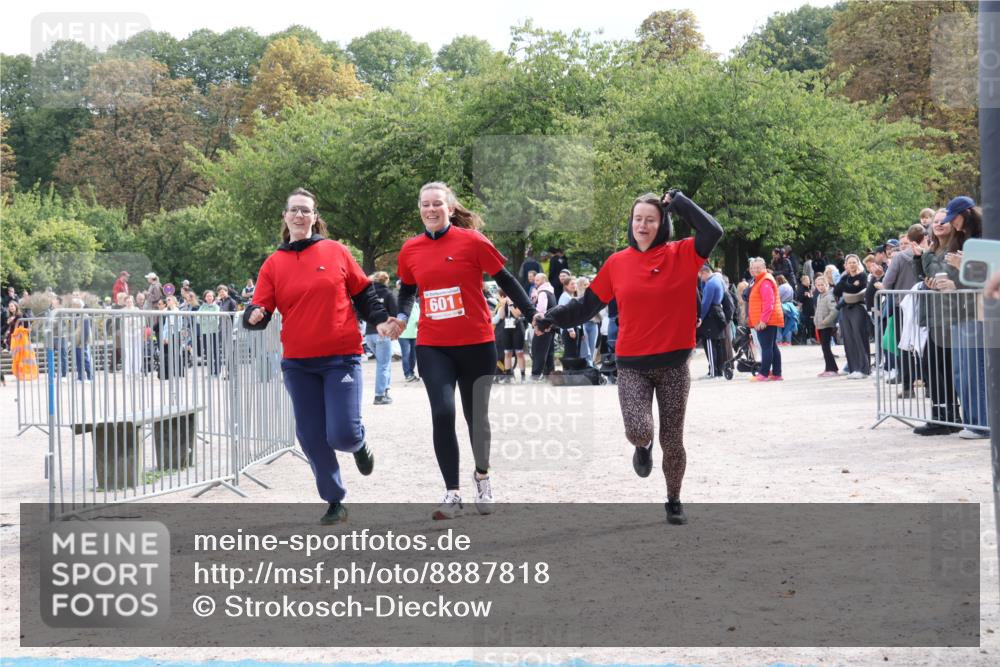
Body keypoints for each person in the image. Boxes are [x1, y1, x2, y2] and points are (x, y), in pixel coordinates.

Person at [535, 190, 722, 525]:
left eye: (650, 219)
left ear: (662, 222)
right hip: (632, 364)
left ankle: (673, 498)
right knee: (638, 429)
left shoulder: (682, 253)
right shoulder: (617, 263)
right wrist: (553, 319)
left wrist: (678, 201)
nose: (643, 225)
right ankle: (642, 446)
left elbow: (713, 231)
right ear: (631, 223)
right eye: (638, 219)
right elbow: (587, 305)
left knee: (673, 440)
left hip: (674, 364)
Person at [243, 187, 396, 524]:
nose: (299, 216)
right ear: (285, 216)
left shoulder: (336, 251)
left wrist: (382, 320)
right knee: (311, 435)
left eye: (306, 211)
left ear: (315, 217)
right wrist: (253, 315)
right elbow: (261, 307)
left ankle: (358, 444)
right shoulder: (273, 263)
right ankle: (334, 500)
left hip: (340, 356)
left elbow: (364, 294)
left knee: (342, 433)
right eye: (294, 210)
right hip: (298, 363)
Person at [394, 181, 536, 520]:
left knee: (477, 418)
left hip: (476, 343)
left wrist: (533, 314)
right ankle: (452, 493)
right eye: (425, 204)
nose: (431, 209)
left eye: (437, 204)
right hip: (433, 345)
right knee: (442, 414)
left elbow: (506, 280)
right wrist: (401, 316)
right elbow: (407, 291)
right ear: (420, 209)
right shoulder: (410, 250)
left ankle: (482, 477)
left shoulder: (472, 241)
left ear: (450, 208)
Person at [939, 197, 989, 439]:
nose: (953, 224)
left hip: (978, 311)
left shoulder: (983, 239)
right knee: (962, 369)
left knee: (974, 367)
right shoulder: (962, 239)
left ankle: (981, 423)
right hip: (961, 309)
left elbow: (988, 277)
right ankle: (972, 420)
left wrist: (963, 266)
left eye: (955, 218)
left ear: (967, 214)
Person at [911, 208, 962, 435]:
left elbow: (943, 273)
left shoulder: (954, 249)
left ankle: (949, 416)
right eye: (936, 222)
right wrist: (918, 258)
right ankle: (942, 415)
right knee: (932, 366)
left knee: (943, 366)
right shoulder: (933, 249)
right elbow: (924, 276)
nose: (939, 224)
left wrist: (927, 256)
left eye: (944, 221)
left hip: (950, 314)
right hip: (934, 314)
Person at [747, 257, 785, 381]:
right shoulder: (759, 280)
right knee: (772, 346)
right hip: (767, 319)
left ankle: (763, 374)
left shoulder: (765, 281)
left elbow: (769, 302)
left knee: (767, 347)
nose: (755, 270)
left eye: (758, 268)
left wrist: (763, 320)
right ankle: (777, 373)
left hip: (766, 320)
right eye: (753, 268)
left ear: (764, 267)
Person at [833, 254, 871, 379]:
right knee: (848, 339)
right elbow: (836, 291)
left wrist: (848, 287)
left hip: (858, 308)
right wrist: (849, 285)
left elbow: (856, 291)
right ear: (846, 265)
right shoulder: (845, 277)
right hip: (845, 309)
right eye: (850, 263)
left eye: (854, 262)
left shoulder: (862, 276)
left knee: (859, 337)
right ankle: (853, 368)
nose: (852, 265)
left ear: (858, 263)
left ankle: (863, 368)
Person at [364, 271, 398, 405]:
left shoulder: (368, 294)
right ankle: (379, 395)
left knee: (384, 362)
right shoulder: (388, 294)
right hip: (383, 333)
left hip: (369, 333)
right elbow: (395, 313)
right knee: (383, 364)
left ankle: (385, 390)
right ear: (386, 281)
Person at [697, 264, 726, 378]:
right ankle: (719, 370)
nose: (700, 279)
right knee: (718, 345)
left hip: (711, 315)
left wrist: (700, 317)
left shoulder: (710, 284)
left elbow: (705, 303)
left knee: (709, 343)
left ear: (704, 272)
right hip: (718, 312)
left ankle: (713, 372)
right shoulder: (719, 280)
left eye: (700, 276)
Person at [493, 290, 527, 383]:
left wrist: (511, 304)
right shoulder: (504, 302)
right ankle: (509, 376)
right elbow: (502, 316)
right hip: (506, 328)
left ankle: (523, 375)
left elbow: (517, 314)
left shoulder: (518, 300)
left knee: (519, 352)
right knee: (507, 353)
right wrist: (503, 305)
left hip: (517, 328)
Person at [530, 272, 557, 380]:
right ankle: (549, 374)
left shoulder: (542, 293)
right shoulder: (551, 291)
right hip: (552, 325)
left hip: (543, 326)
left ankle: (535, 375)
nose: (535, 282)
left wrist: (537, 325)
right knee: (549, 351)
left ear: (544, 280)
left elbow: (541, 311)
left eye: (537, 280)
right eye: (535, 280)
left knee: (538, 350)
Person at [813, 275, 839, 376]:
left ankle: (831, 369)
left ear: (827, 285)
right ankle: (829, 368)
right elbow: (817, 310)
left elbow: (834, 311)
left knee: (826, 348)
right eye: (818, 285)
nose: (820, 287)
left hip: (826, 326)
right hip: (820, 326)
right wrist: (816, 320)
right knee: (824, 348)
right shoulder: (819, 296)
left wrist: (826, 321)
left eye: (822, 285)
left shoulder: (829, 296)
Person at [398, 300, 420, 382]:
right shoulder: (402, 303)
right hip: (403, 334)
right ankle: (407, 374)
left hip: (414, 334)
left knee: (413, 356)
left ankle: (412, 373)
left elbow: (418, 317)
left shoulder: (416, 305)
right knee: (406, 355)